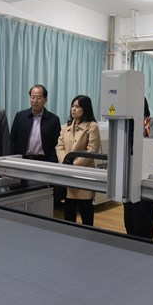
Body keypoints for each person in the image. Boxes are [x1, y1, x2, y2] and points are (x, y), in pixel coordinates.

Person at [55, 95, 101, 226]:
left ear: (85, 109)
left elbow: (91, 151)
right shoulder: (66, 126)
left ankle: (88, 236)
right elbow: (59, 146)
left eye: (77, 106)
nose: (73, 109)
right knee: (69, 212)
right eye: (72, 106)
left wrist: (73, 165)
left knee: (86, 212)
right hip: (68, 174)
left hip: (83, 174)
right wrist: (65, 162)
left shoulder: (92, 126)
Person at [124, 97, 153, 239]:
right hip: (128, 179)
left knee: (143, 222)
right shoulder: (125, 123)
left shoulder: (151, 122)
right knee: (129, 221)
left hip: (145, 179)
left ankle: (144, 247)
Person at [10, 84, 61, 162]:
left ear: (45, 99)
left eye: (38, 98)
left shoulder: (53, 120)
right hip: (22, 160)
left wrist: (51, 161)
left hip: (44, 161)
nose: (35, 101)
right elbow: (12, 140)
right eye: (32, 97)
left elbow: (57, 144)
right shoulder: (20, 116)